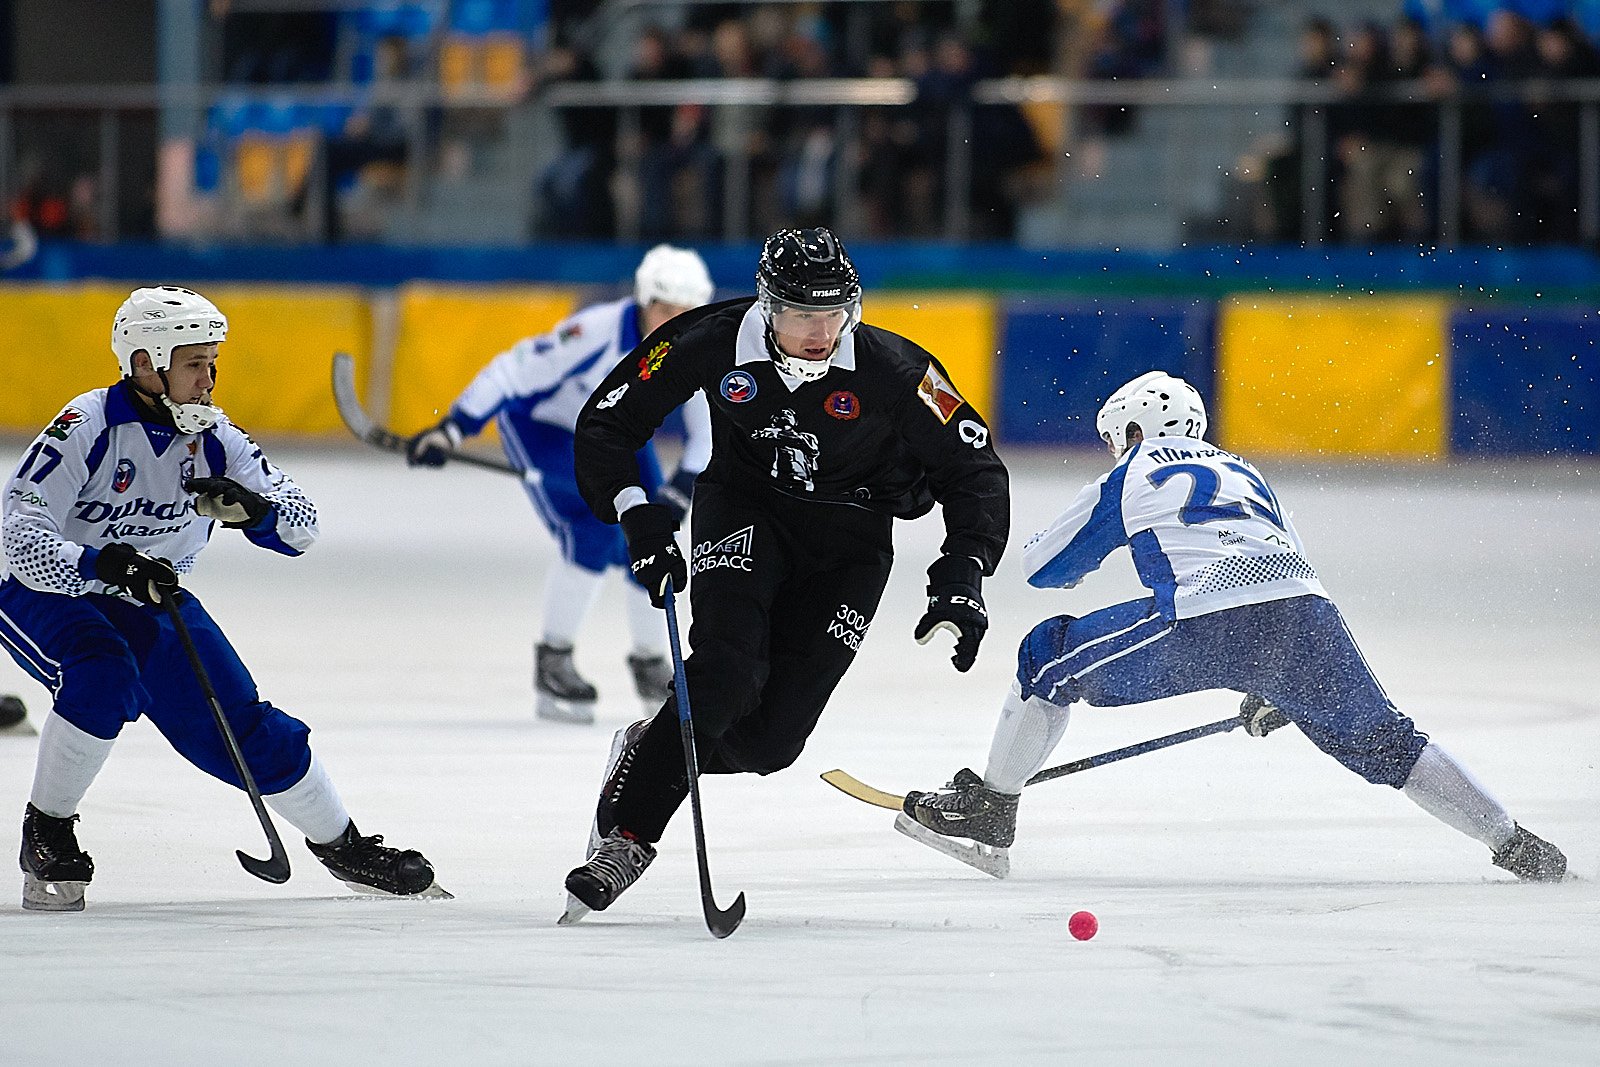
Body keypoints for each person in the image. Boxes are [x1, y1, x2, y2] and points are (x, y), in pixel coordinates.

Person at [897, 371, 1567, 884]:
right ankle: (1516, 843)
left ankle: (992, 805)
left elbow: (1044, 565)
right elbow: (1282, 568)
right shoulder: (1247, 471)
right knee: (1390, 741)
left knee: (1047, 656)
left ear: (1133, 431)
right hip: (1307, 616)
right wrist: (1285, 683)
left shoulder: (1134, 470)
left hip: (1203, 618)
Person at [560, 227, 1010, 919]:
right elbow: (607, 423)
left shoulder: (894, 370)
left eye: (834, 312)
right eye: (802, 313)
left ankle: (648, 748)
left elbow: (972, 466)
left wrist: (964, 569)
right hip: (747, 511)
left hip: (853, 539)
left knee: (772, 743)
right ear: (767, 306)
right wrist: (638, 516)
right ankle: (627, 835)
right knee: (725, 670)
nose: (820, 330)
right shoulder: (708, 339)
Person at [0, 286, 445, 911]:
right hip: (52, 588)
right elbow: (19, 539)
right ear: (146, 362)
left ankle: (342, 844)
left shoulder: (216, 439)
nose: (208, 378)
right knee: (104, 674)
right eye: (193, 363)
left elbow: (302, 525)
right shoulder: (86, 424)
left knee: (248, 727)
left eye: (212, 362)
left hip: (151, 595)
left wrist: (256, 513)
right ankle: (45, 830)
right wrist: (105, 562)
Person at [405, 245, 717, 725]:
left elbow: (707, 433)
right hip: (545, 428)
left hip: (613, 434)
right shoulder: (593, 332)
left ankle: (652, 662)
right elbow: (514, 370)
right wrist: (454, 427)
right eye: (664, 309)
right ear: (642, 300)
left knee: (652, 536)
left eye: (685, 313)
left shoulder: (696, 347)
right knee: (593, 535)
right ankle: (555, 659)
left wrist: (679, 491)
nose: (672, 322)